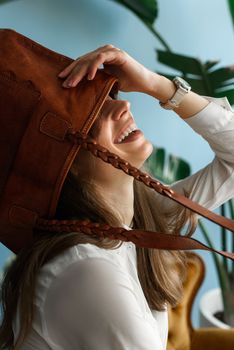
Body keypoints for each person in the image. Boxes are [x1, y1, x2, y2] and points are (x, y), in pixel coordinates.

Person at [1, 35, 234, 350]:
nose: (123, 105)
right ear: (64, 167)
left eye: (107, 96)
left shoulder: (132, 224)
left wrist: (158, 86)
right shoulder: (87, 272)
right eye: (93, 117)